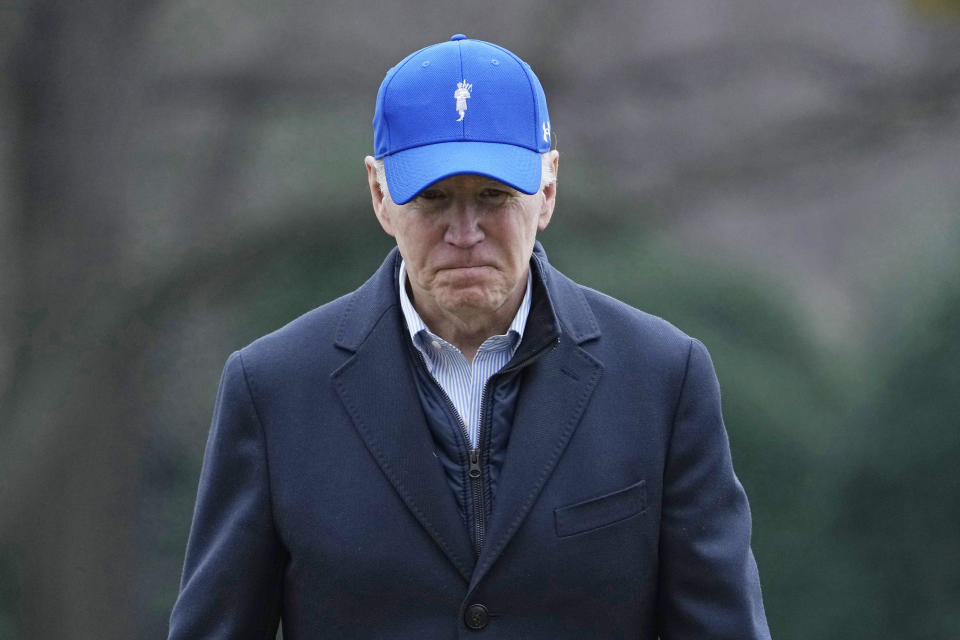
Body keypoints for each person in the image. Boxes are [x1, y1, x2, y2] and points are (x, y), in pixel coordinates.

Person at [168, 35, 771, 639]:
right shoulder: (273, 390)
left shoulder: (662, 379)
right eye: (432, 198)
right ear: (380, 195)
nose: (465, 231)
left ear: (548, 189)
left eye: (494, 195)